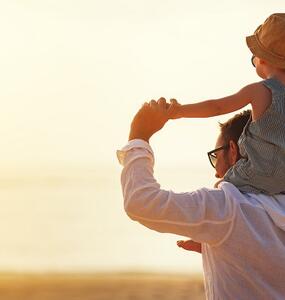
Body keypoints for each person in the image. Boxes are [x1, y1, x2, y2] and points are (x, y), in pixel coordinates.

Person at [117, 101, 285, 299]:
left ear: (233, 150)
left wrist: (139, 137)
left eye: (215, 157)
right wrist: (232, 248)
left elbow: (140, 202)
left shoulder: (227, 207)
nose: (216, 173)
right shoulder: (277, 205)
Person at [166, 13, 285, 195]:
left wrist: (180, 111)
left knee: (220, 189)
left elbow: (217, 107)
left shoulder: (259, 91)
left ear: (262, 59)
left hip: (256, 176)